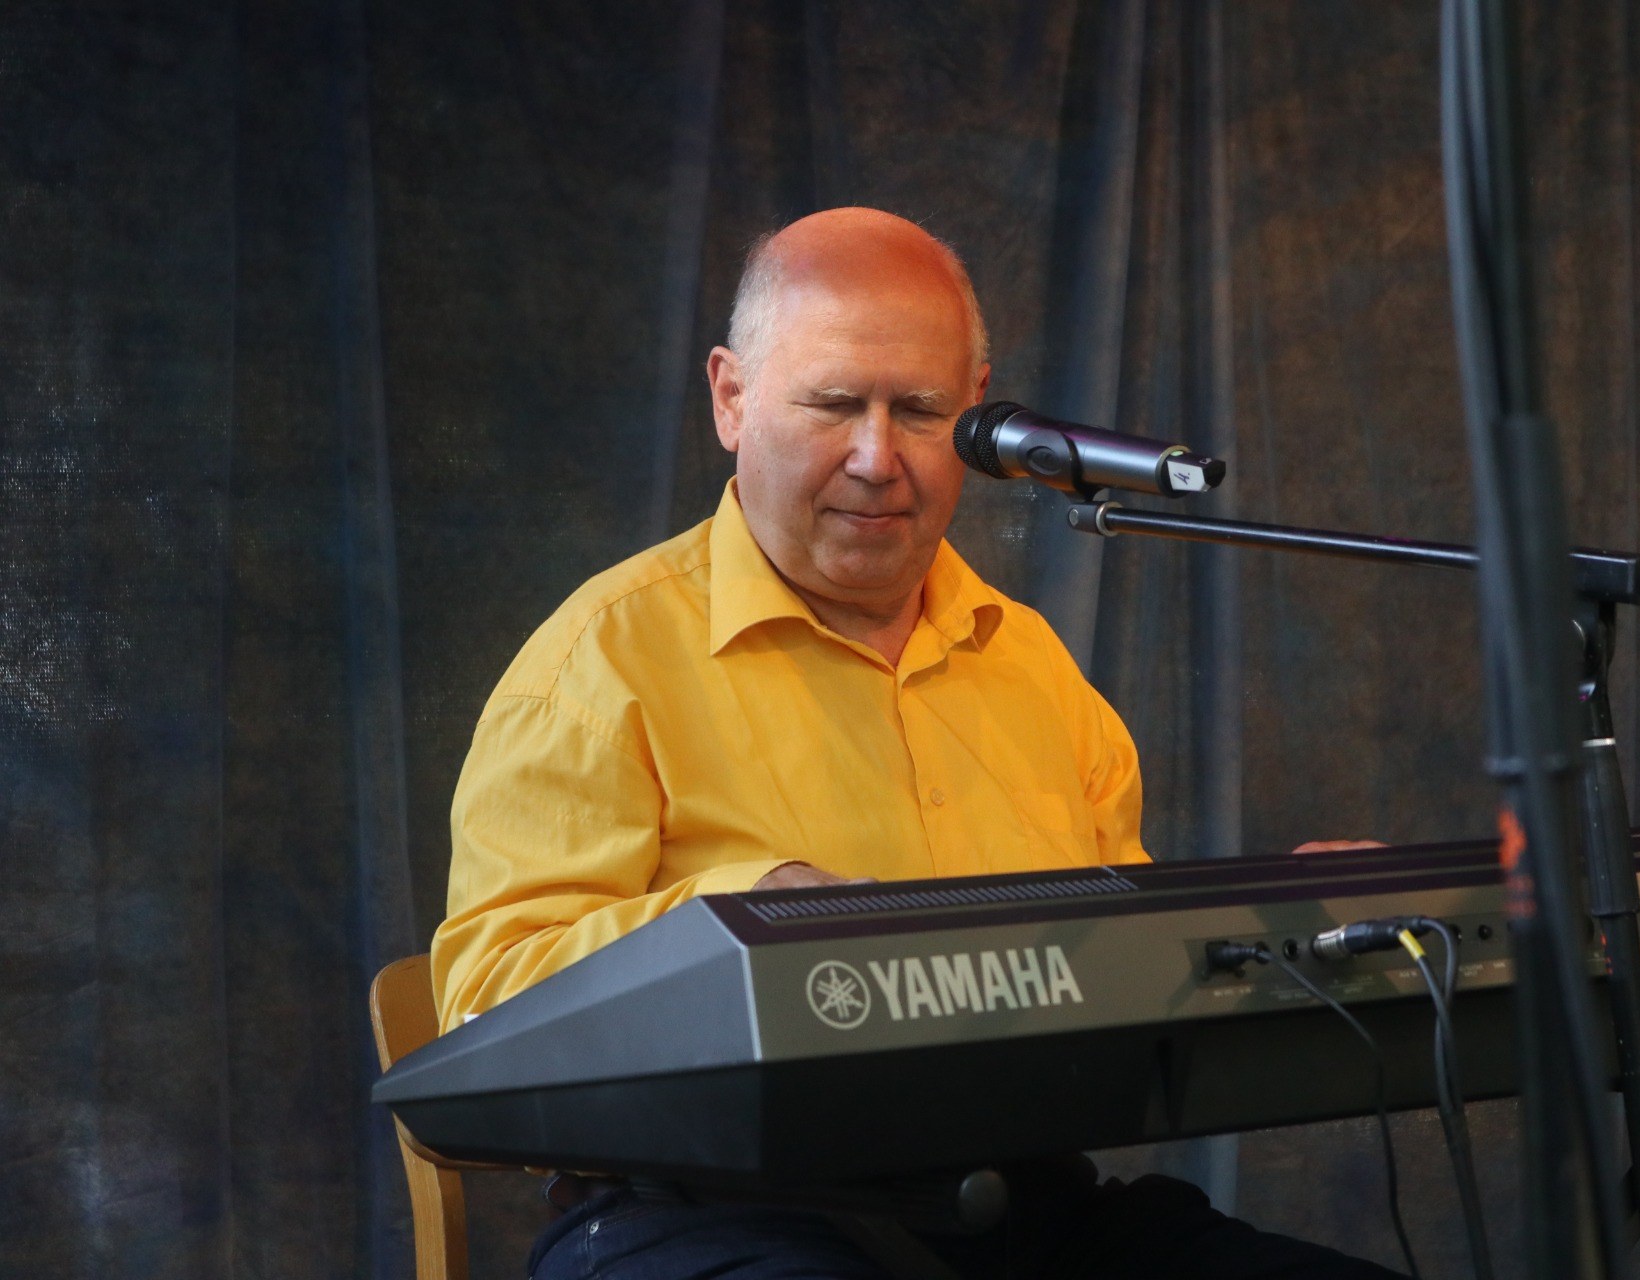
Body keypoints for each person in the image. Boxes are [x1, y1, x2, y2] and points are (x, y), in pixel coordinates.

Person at [431, 207, 1402, 1279]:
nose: (876, 457)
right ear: (731, 397)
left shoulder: (1032, 664)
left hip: (1026, 1210)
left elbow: (1119, 980)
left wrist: (1292, 940)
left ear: (977, 410)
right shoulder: (600, 659)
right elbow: (485, 1003)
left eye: (923, 411)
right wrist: (742, 918)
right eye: (834, 403)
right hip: (710, 1216)